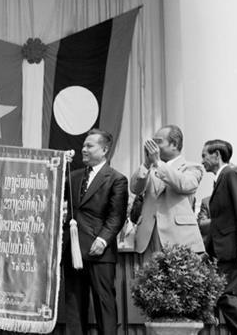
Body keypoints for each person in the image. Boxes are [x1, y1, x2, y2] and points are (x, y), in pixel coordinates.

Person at [62, 129, 128, 335]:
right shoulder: (72, 176)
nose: (84, 149)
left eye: (89, 146)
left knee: (104, 303)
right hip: (72, 250)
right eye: (83, 145)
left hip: (99, 251)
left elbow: (116, 216)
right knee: (74, 305)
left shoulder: (116, 179)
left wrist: (103, 240)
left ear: (104, 149)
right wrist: (58, 165)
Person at [201, 139, 237, 334]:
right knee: (233, 295)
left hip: (236, 250)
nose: (202, 161)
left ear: (217, 155)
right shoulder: (221, 178)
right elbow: (220, 221)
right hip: (225, 251)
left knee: (221, 293)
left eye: (204, 156)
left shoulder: (231, 174)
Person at [130, 125, 204, 259]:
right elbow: (135, 188)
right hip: (150, 236)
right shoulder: (150, 169)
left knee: (180, 279)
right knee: (150, 278)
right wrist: (147, 164)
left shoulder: (192, 167)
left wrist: (158, 162)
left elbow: (185, 185)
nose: (152, 146)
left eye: (157, 141)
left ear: (174, 144)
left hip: (180, 237)